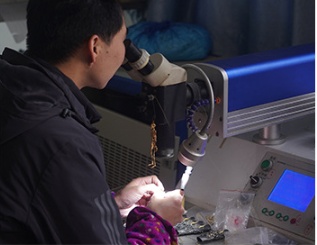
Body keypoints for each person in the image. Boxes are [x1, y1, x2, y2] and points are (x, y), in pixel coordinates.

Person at [0, 0, 184, 244]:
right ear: (95, 46)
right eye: (122, 40)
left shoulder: (14, 92)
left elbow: (30, 197)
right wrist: (157, 220)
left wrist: (108, 204)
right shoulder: (63, 140)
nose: (123, 54)